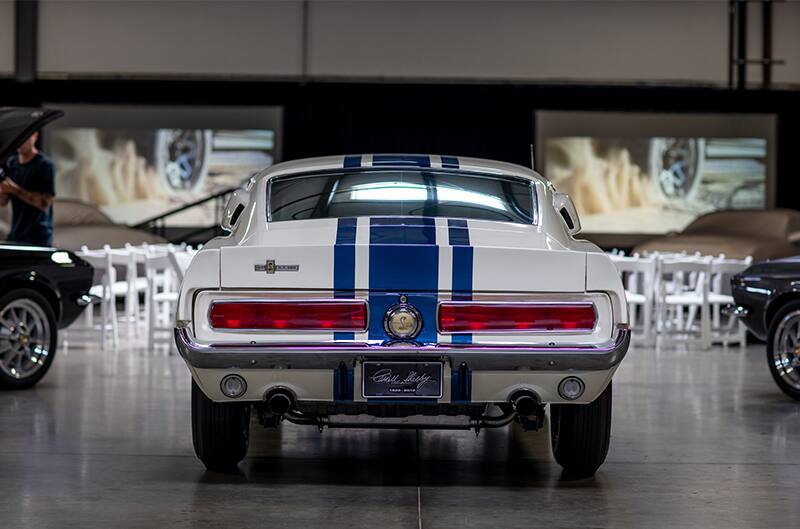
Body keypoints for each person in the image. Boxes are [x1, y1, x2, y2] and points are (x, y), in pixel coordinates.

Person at [0, 131, 56, 246]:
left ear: (34, 136)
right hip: (16, 234)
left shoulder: (45, 165)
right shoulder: (11, 163)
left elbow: (44, 203)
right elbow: (3, 202)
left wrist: (15, 190)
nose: (20, 142)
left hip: (38, 237)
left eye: (24, 138)